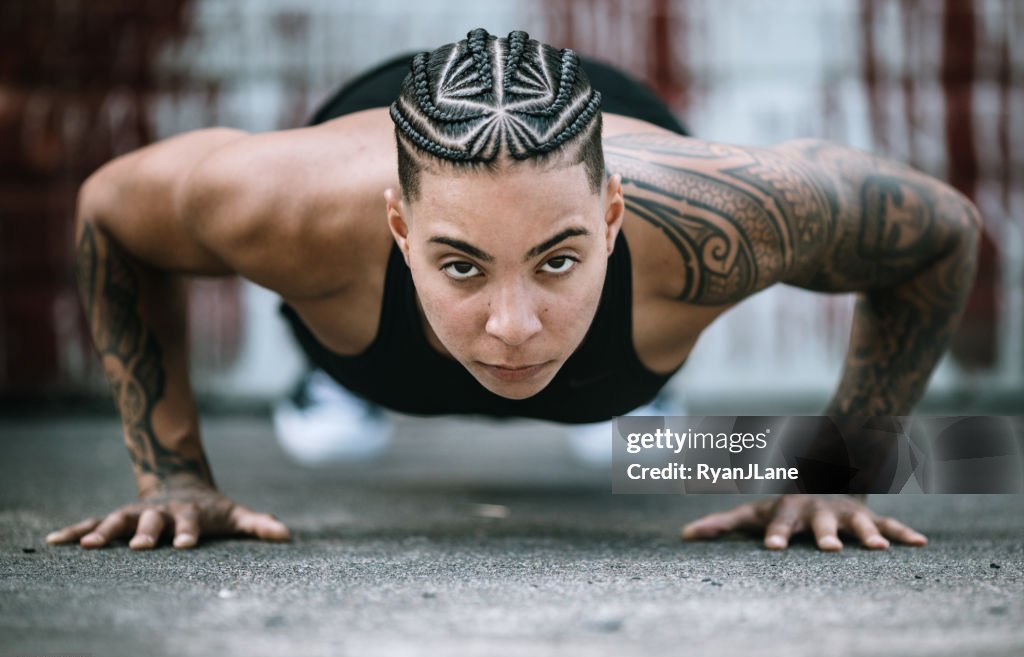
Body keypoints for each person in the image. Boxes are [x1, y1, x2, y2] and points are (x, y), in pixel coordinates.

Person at [46, 29, 978, 554]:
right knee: (368, 359)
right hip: (361, 312)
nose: (512, 326)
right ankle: (335, 377)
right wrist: (170, 474)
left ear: (612, 220)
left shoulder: (716, 222)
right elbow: (112, 215)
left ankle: (641, 386)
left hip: (627, 291)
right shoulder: (283, 210)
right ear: (399, 229)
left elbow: (938, 234)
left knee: (617, 403)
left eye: (560, 261)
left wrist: (841, 472)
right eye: (459, 265)